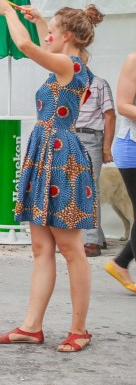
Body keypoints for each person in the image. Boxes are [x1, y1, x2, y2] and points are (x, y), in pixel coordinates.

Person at [0, 0, 102, 353]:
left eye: (53, 30)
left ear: (67, 36)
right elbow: (43, 42)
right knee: (42, 248)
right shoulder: (66, 65)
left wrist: (7, 14)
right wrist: (39, 19)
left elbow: (27, 46)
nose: (47, 35)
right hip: (46, 155)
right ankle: (31, 327)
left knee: (71, 249)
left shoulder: (70, 65)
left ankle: (79, 330)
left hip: (62, 159)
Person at [104, 52, 136, 292]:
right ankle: (121, 263)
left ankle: (121, 262)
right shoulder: (134, 60)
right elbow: (123, 106)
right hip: (132, 145)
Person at [75, 73, 115, 257]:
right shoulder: (63, 82)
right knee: (74, 188)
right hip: (69, 136)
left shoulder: (99, 83)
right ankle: (97, 236)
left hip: (91, 137)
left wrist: (106, 148)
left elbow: (110, 116)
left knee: (89, 188)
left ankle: (91, 240)